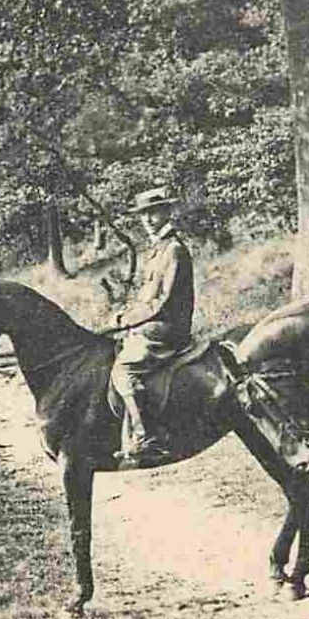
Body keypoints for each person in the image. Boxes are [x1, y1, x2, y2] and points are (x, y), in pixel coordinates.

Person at [110, 185, 195, 469]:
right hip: (151, 323)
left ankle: (148, 437)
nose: (148, 219)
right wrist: (124, 314)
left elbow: (163, 301)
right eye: (143, 214)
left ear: (167, 212)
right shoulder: (156, 250)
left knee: (123, 369)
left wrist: (130, 320)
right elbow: (145, 296)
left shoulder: (173, 250)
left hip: (166, 327)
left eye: (153, 213)